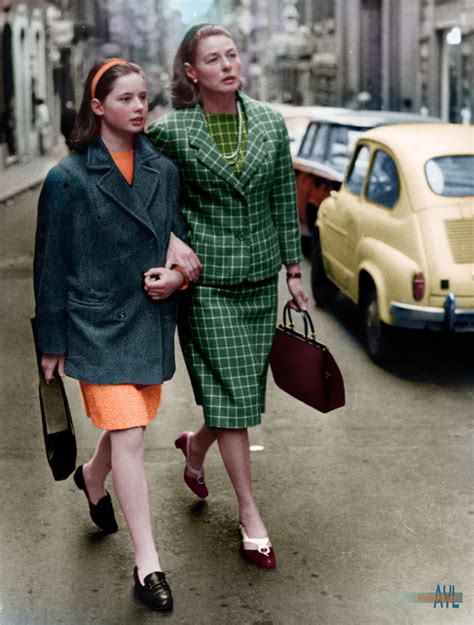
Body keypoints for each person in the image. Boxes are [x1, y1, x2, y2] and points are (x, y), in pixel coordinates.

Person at [147, 24, 309, 570]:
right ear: (192, 72)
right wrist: (170, 237)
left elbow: (282, 197)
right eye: (213, 59)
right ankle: (249, 514)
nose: (227, 65)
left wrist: (293, 268)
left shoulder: (267, 120)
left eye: (232, 55)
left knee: (236, 395)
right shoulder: (171, 133)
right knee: (236, 401)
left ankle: (194, 447)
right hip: (207, 283)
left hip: (260, 277)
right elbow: (140, 189)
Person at [33, 59, 189, 612]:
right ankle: (147, 562)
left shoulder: (163, 171)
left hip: (148, 321)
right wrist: (52, 341)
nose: (140, 106)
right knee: (129, 434)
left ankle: (91, 479)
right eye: (126, 98)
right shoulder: (67, 178)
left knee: (131, 425)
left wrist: (176, 276)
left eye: (144, 96)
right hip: (95, 327)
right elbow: (50, 266)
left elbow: (179, 241)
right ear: (98, 107)